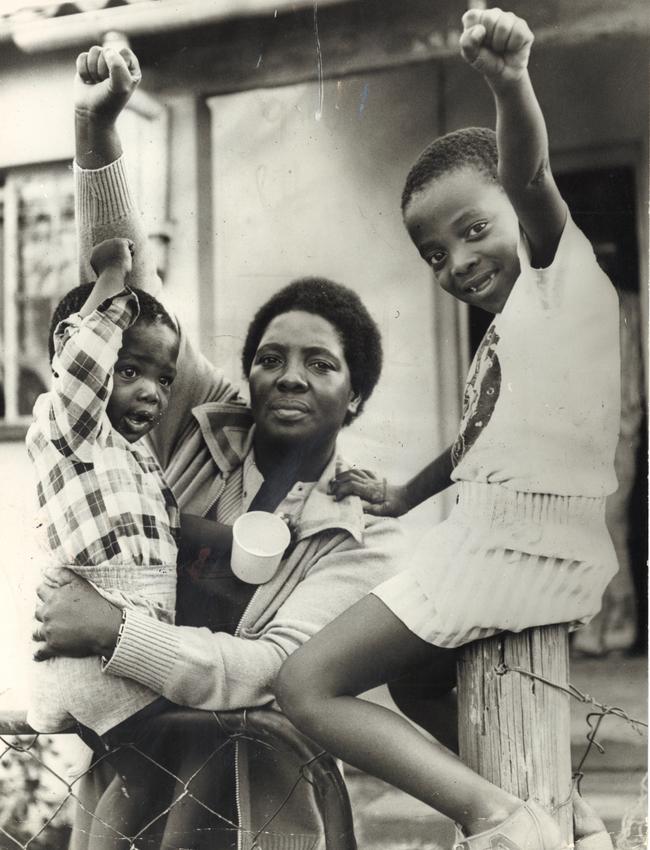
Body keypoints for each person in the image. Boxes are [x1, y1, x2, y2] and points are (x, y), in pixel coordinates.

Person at [32, 44, 404, 850]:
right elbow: (128, 304)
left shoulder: (365, 535)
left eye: (320, 363)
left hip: (261, 779)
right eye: (270, 358)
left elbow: (274, 671)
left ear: (359, 394)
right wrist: (96, 130)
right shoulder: (200, 421)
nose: (289, 378)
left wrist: (113, 630)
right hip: (137, 753)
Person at [276, 8, 620, 850]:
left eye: (474, 229)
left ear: (517, 210)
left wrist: (509, 81)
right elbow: (475, 443)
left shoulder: (558, 275)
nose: (458, 261)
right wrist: (401, 493)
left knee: (307, 684)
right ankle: (554, 810)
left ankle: (497, 817)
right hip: (517, 540)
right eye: (434, 254)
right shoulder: (511, 332)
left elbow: (531, 174)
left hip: (513, 547)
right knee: (422, 679)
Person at [27, 235, 186, 849]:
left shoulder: (133, 455)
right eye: (129, 371)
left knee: (119, 773)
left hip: (118, 634)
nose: (151, 391)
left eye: (163, 378)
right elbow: (85, 360)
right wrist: (115, 280)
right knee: (147, 776)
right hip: (96, 644)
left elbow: (166, 527)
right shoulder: (71, 426)